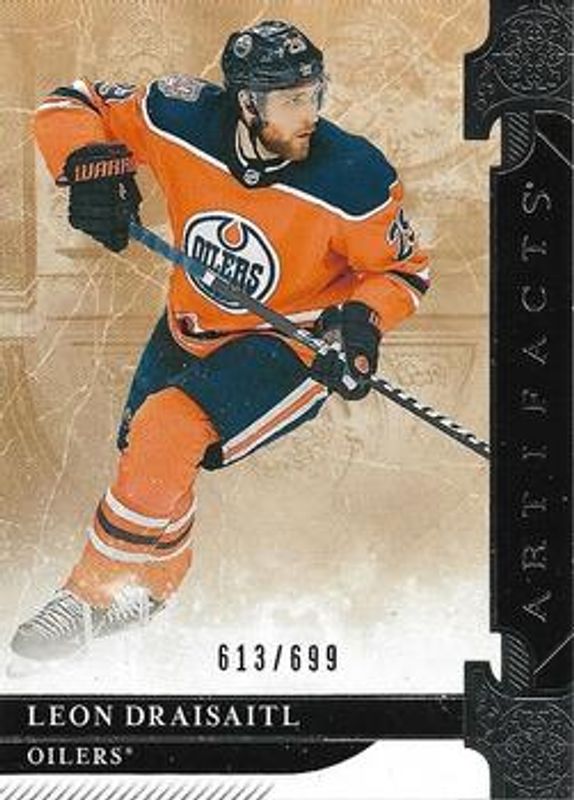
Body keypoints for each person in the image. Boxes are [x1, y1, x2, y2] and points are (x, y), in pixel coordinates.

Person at [11, 20, 430, 661]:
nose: (310, 114)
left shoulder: (354, 176)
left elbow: (403, 270)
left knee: (168, 430)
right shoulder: (179, 116)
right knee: (147, 457)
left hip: (291, 343)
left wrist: (361, 323)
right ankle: (151, 590)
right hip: (190, 323)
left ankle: (89, 598)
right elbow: (74, 101)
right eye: (292, 100)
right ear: (247, 102)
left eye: (314, 94)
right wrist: (88, 166)